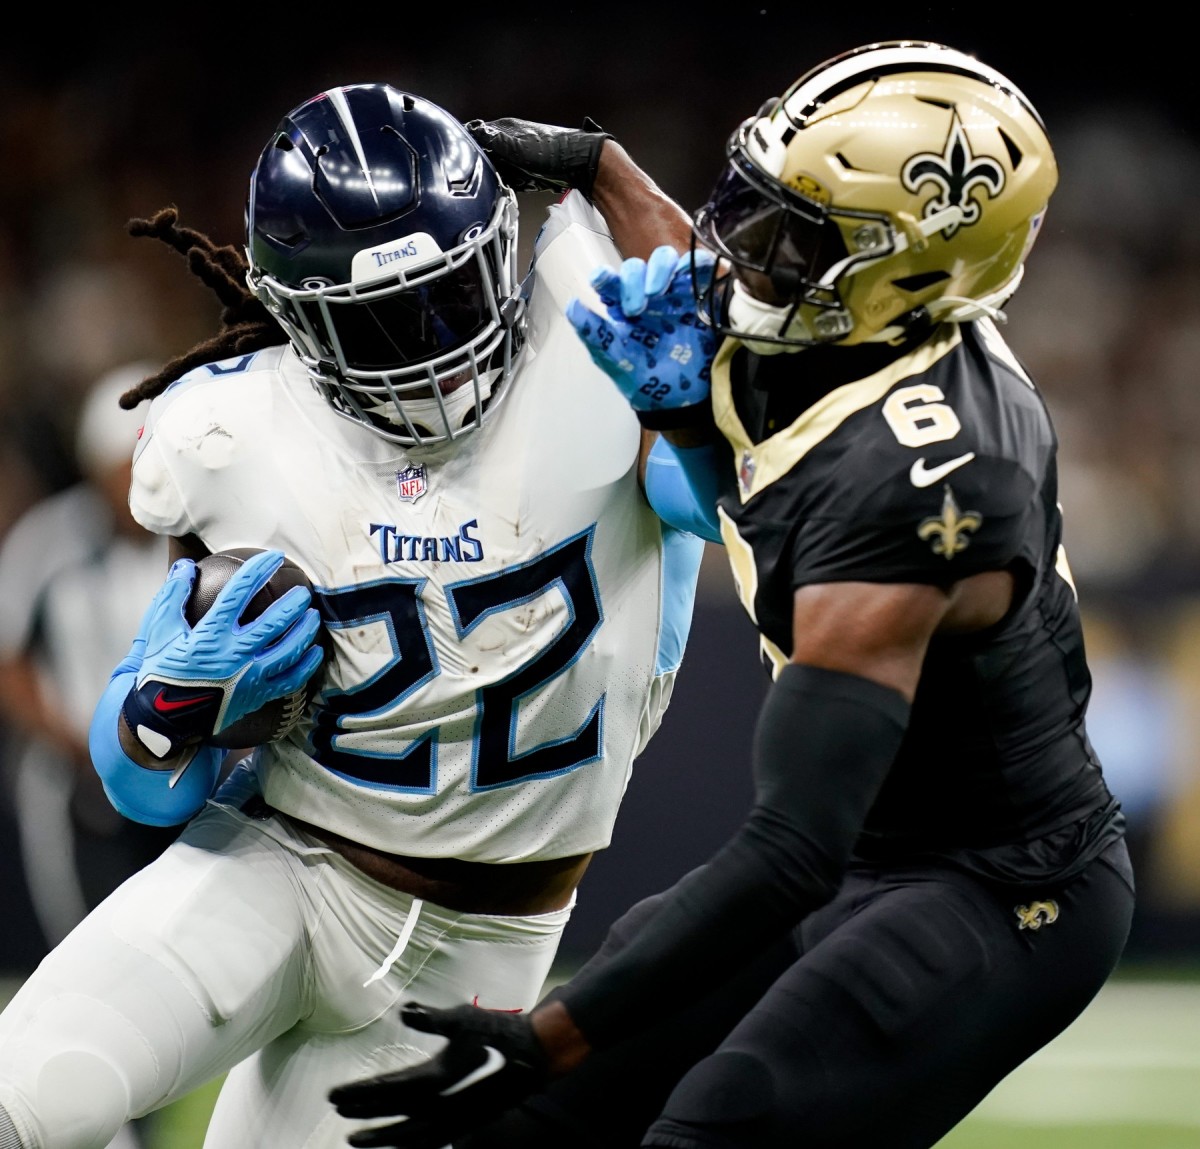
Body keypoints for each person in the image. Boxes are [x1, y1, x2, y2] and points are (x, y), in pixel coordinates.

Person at [327, 41, 1136, 1149]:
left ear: (903, 272)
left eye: (791, 236)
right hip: (865, 844)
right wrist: (598, 165)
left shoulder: (928, 481)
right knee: (530, 1128)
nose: (742, 256)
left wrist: (563, 1028)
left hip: (994, 880)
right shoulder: (849, 323)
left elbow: (791, 848)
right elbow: (726, 336)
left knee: (719, 1124)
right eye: (756, 206)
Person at [0, 83, 709, 1149]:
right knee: (36, 1094)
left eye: (449, 296)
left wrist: (604, 167)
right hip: (275, 865)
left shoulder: (603, 355)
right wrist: (170, 704)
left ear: (500, 250)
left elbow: (731, 465)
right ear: (297, 320)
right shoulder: (233, 432)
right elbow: (140, 782)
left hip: (484, 947)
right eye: (378, 322)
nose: (427, 344)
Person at [0, 363, 177, 1149]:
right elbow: (7, 662)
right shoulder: (53, 541)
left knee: (168, 979)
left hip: (175, 792)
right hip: (78, 800)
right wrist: (83, 741)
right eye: (122, 464)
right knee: (88, 965)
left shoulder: (199, 536)